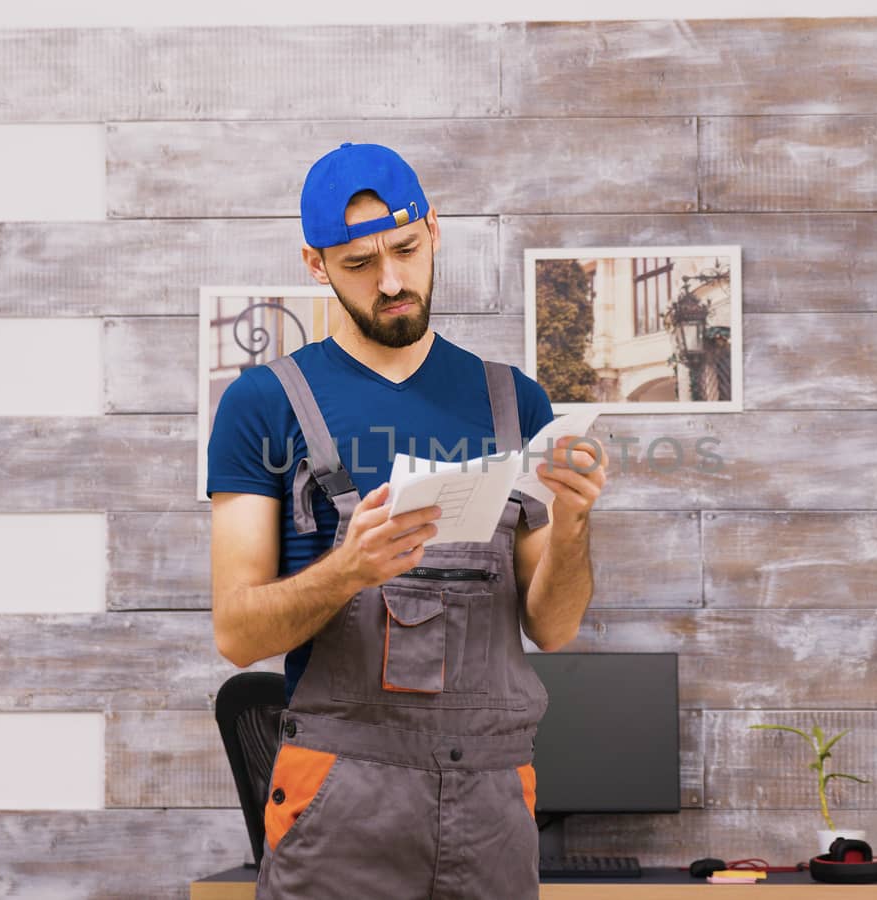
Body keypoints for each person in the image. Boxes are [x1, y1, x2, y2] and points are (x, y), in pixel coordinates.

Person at [206, 142, 608, 899]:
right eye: (358, 263)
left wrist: (578, 524)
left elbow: (553, 627)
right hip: (340, 810)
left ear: (435, 232)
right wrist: (348, 569)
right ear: (315, 263)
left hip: (492, 806)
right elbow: (238, 633)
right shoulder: (262, 404)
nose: (391, 281)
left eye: (405, 249)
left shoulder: (513, 401)